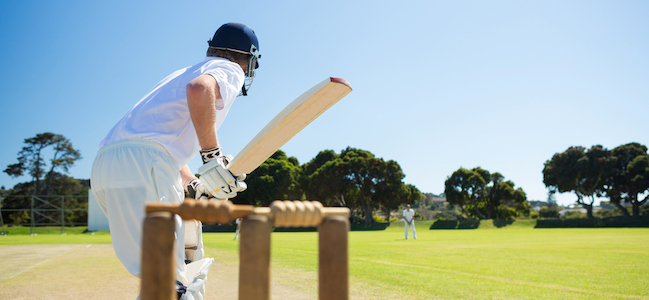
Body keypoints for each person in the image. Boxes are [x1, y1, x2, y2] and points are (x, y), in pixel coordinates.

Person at [90, 22, 261, 299]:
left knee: (167, 267)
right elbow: (199, 89)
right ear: (249, 58)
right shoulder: (227, 68)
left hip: (107, 166)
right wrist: (212, 157)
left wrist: (190, 181)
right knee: (174, 282)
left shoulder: (179, 73)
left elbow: (158, 137)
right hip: (145, 165)